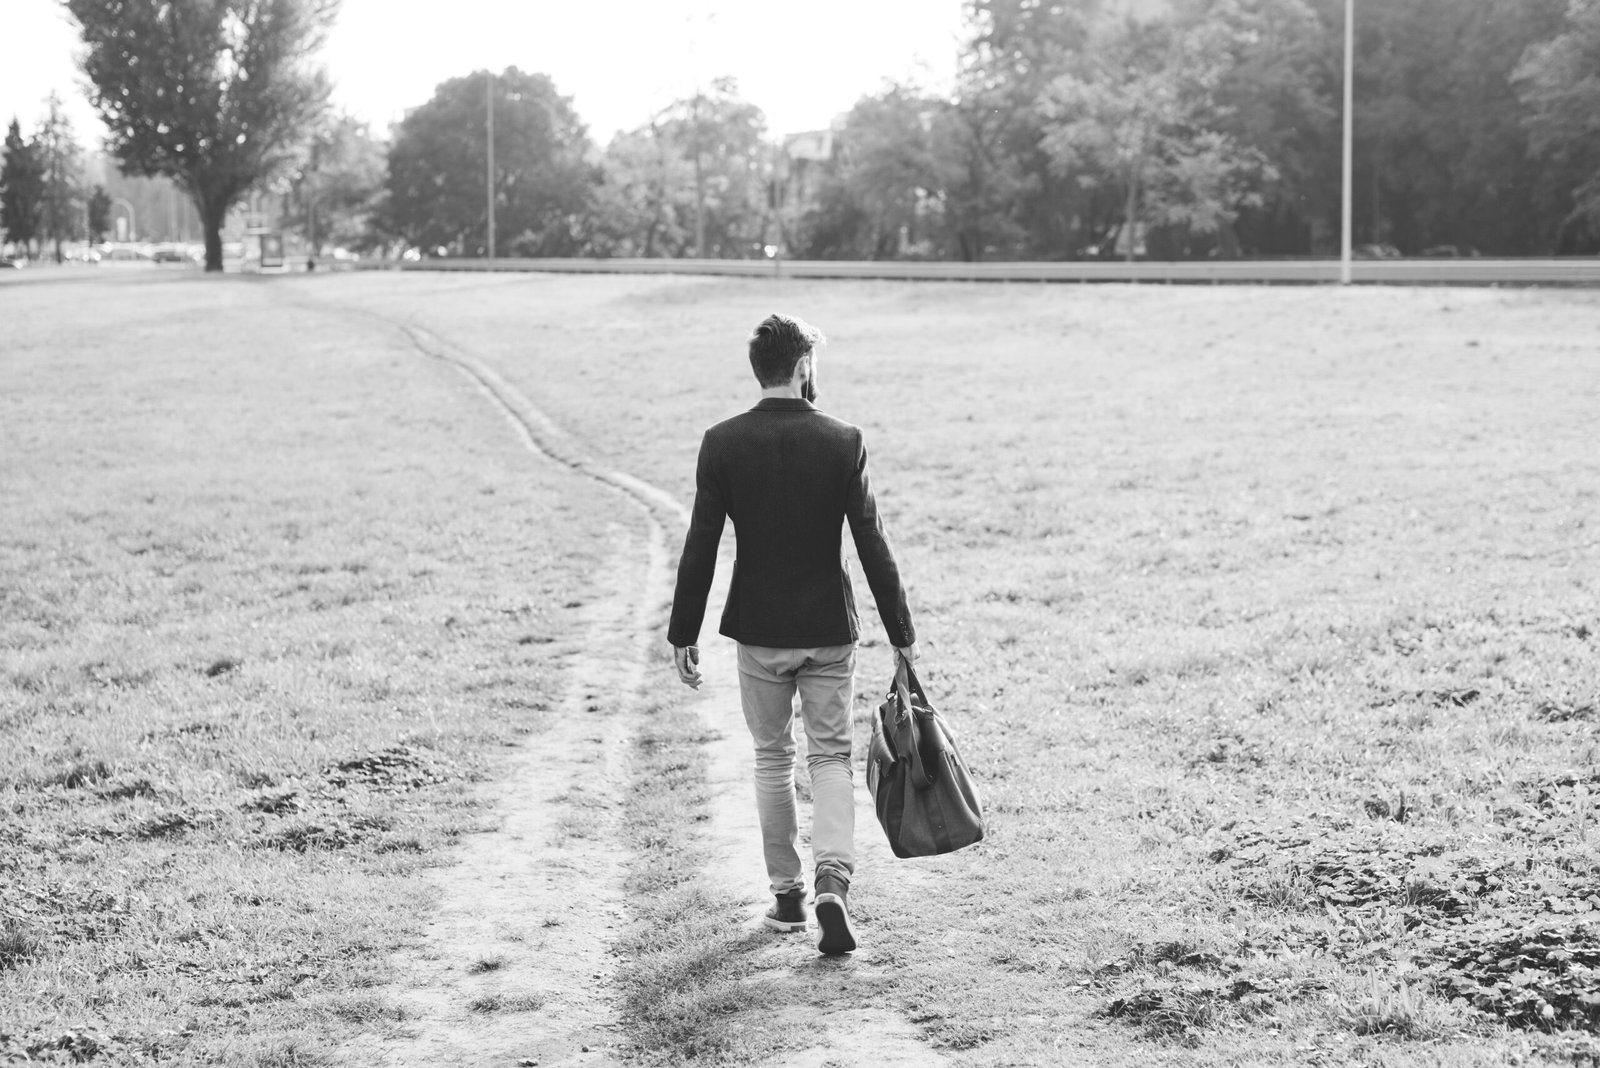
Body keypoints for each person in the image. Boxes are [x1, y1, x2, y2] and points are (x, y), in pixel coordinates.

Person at [668, 312, 918, 956]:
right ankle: (833, 879)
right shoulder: (842, 439)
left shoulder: (721, 441)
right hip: (828, 630)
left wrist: (683, 630)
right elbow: (871, 541)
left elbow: (701, 543)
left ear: (760, 370)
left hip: (758, 632)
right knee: (830, 756)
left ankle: (788, 897)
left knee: (772, 758)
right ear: (804, 367)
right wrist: (900, 631)